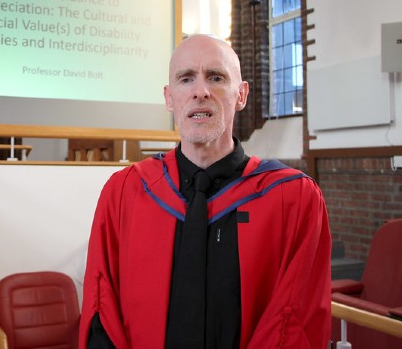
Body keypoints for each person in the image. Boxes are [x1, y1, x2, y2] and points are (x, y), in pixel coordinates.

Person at [79, 34, 331, 348]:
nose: (201, 92)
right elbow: (102, 309)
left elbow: (294, 321)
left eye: (216, 77)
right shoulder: (125, 193)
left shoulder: (291, 198)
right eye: (187, 79)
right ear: (169, 98)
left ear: (241, 95)